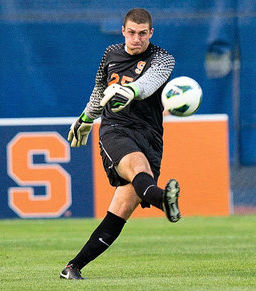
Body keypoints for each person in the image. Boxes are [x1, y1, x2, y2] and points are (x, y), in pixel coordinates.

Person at [60, 8, 181, 280]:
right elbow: (99, 90)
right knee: (137, 168)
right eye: (131, 32)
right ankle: (163, 200)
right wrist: (85, 119)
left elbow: (149, 84)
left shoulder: (163, 58)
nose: (136, 39)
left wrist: (130, 90)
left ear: (151, 33)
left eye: (142, 33)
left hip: (150, 135)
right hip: (116, 129)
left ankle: (72, 268)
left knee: (121, 210)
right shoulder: (111, 53)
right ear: (123, 30)